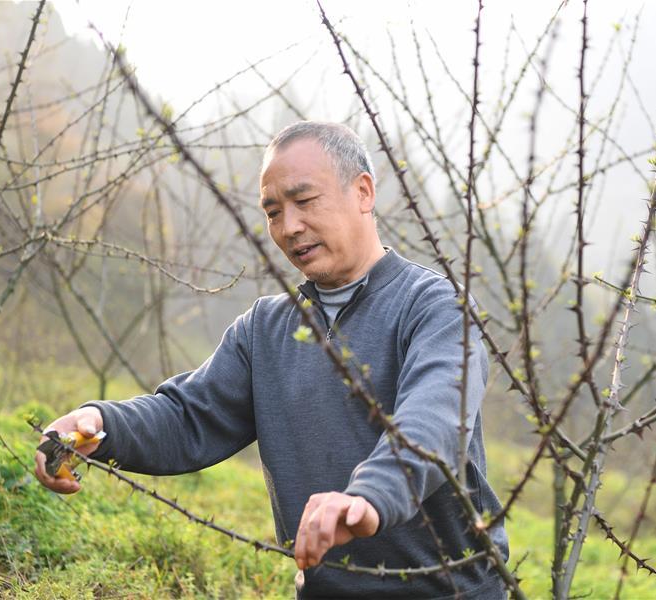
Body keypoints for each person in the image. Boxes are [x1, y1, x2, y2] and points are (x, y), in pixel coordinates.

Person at [34, 121, 510, 599]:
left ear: (363, 192)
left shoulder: (436, 307)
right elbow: (188, 418)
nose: (289, 227)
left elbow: (433, 422)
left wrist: (369, 497)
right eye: (274, 211)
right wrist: (98, 423)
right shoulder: (265, 328)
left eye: (305, 201)